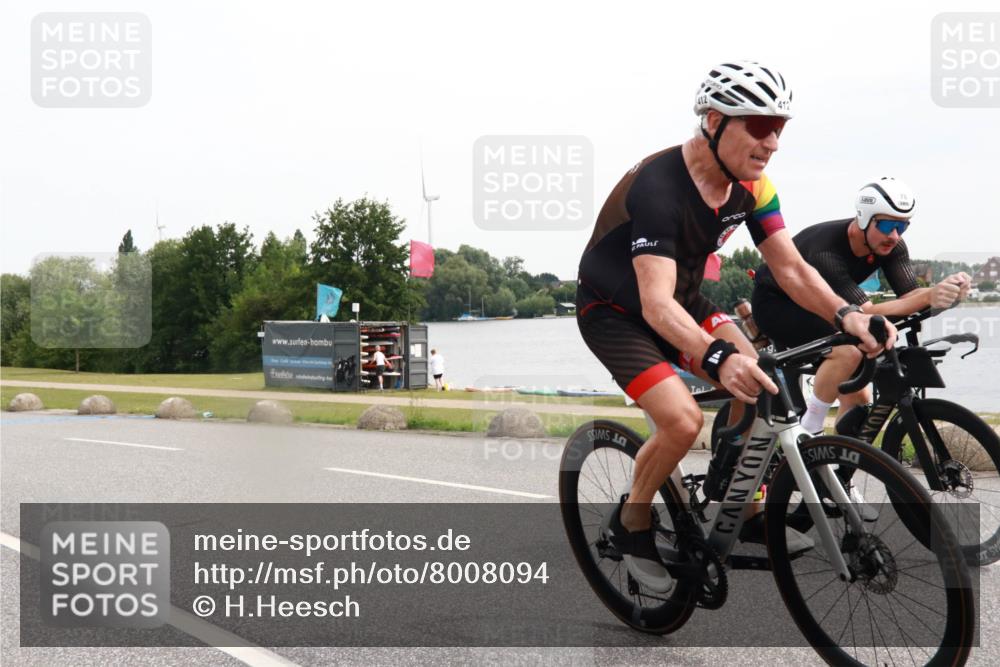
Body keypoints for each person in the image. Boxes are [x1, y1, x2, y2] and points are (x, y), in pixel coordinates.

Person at [575, 60, 895, 592]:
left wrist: (849, 314)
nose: (772, 143)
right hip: (616, 311)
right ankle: (632, 522)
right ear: (715, 121)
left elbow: (791, 268)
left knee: (764, 378)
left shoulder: (755, 186)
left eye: (780, 129)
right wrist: (716, 357)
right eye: (761, 127)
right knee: (680, 421)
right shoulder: (659, 187)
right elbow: (654, 304)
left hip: (684, 300)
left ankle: (737, 502)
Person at [752, 177, 972, 434]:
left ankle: (838, 466)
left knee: (858, 401)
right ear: (865, 219)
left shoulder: (891, 245)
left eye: (902, 227)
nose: (894, 236)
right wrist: (928, 297)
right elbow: (863, 313)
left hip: (826, 306)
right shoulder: (826, 251)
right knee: (848, 349)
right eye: (888, 225)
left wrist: (948, 289)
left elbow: (910, 295)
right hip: (777, 305)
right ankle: (809, 431)